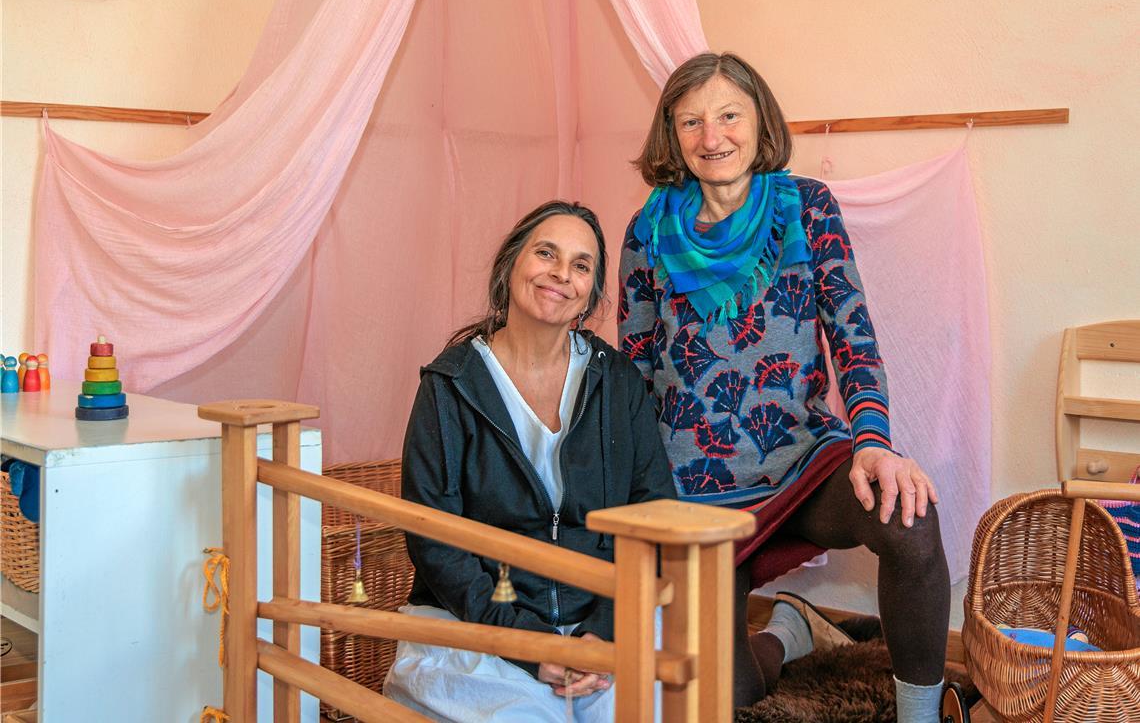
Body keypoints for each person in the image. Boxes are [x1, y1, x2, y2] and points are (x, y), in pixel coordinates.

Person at [618, 52, 951, 722]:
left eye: (728, 115)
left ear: (759, 119)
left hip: (804, 462)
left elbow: (851, 333)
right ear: (671, 135)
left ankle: (921, 716)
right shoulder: (647, 231)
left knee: (910, 517)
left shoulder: (808, 207)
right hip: (696, 494)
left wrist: (873, 442)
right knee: (724, 695)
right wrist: (632, 490)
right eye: (691, 122)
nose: (713, 138)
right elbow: (634, 370)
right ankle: (789, 634)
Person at [385, 200, 676, 722]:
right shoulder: (450, 387)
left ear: (591, 293)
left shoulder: (620, 382)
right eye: (547, 253)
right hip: (479, 622)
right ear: (511, 265)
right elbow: (435, 541)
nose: (562, 274)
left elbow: (652, 513)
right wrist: (531, 644)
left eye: (582, 265)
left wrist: (603, 632)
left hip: (600, 618)